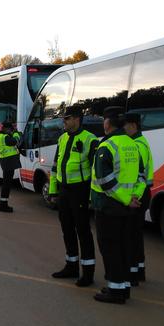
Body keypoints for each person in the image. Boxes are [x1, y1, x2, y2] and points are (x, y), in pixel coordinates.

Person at [90, 107, 142, 304]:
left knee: (109, 247)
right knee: (121, 247)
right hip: (127, 207)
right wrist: (133, 197)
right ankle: (123, 286)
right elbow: (140, 175)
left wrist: (125, 198)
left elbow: (105, 180)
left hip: (109, 206)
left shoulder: (107, 146)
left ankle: (115, 290)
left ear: (107, 123)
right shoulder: (132, 143)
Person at [48, 106, 99, 286]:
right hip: (64, 191)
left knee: (83, 231)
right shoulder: (62, 139)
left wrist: (92, 196)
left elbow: (96, 171)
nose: (64, 122)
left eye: (67, 118)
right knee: (67, 229)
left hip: (80, 191)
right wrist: (53, 191)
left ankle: (88, 272)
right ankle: (71, 266)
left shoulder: (90, 140)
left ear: (77, 119)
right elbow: (55, 167)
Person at [125, 112, 153, 284]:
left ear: (134, 125)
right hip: (142, 194)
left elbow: (140, 176)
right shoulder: (141, 142)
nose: (123, 129)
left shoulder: (137, 145)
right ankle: (139, 271)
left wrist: (133, 197)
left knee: (131, 236)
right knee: (135, 235)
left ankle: (133, 274)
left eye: (126, 125)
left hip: (138, 195)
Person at [0, 120, 22, 213]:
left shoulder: (0, 136)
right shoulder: (6, 137)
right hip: (8, 162)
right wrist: (15, 133)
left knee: (6, 184)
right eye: (10, 130)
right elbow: (16, 141)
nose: (11, 131)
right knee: (6, 184)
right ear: (6, 129)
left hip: (6, 161)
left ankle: (3, 204)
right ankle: (3, 206)